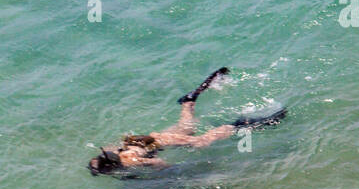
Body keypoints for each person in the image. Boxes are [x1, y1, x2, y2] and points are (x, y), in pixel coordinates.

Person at [88, 68, 286, 175]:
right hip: (149, 139)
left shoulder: (131, 161)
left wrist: (173, 173)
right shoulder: (110, 151)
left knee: (201, 142)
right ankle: (188, 101)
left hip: (159, 142)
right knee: (186, 128)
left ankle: (239, 124)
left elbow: (158, 162)